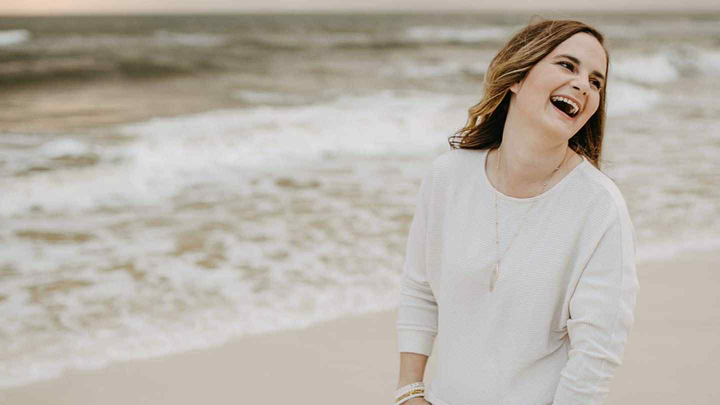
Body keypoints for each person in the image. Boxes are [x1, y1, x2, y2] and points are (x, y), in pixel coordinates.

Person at [394, 18, 639, 405]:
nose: (583, 86)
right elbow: (419, 289)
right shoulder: (448, 177)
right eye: (567, 65)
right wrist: (409, 392)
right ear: (518, 76)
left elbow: (596, 353)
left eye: (596, 82)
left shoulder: (599, 207)